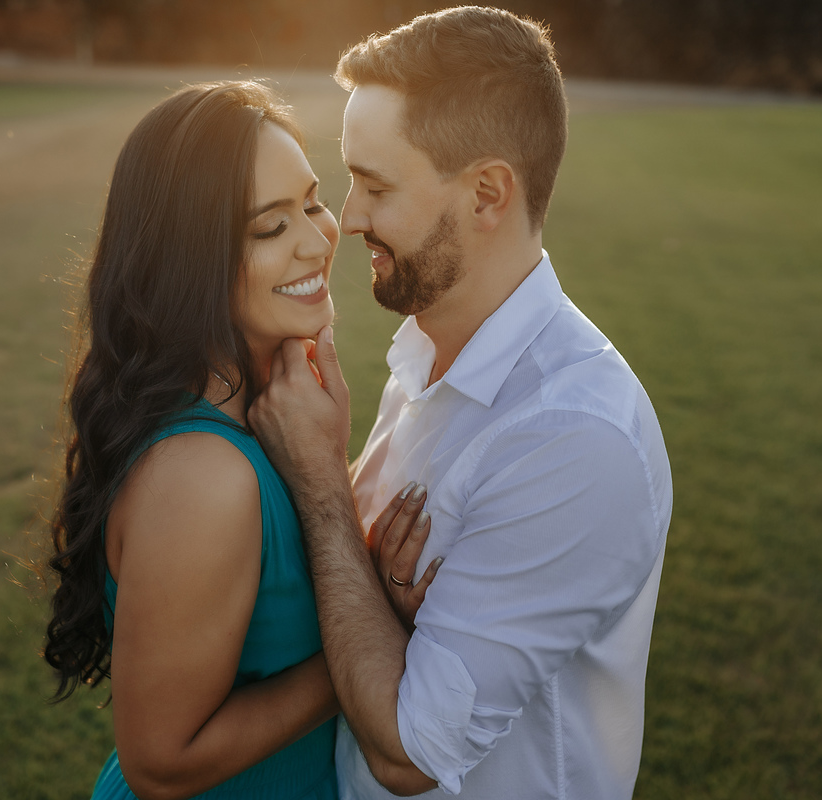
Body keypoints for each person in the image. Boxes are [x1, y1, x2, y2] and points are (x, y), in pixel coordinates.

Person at [249, 7, 673, 800]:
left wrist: (320, 479)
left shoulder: (575, 437)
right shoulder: (427, 345)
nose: (349, 218)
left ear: (487, 194)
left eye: (377, 186)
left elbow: (410, 753)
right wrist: (384, 599)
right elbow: (364, 588)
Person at [41, 81, 427, 800]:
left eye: (312, 202)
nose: (316, 239)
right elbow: (161, 761)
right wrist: (378, 630)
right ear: (189, 259)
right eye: (269, 227)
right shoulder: (202, 476)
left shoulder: (270, 412)